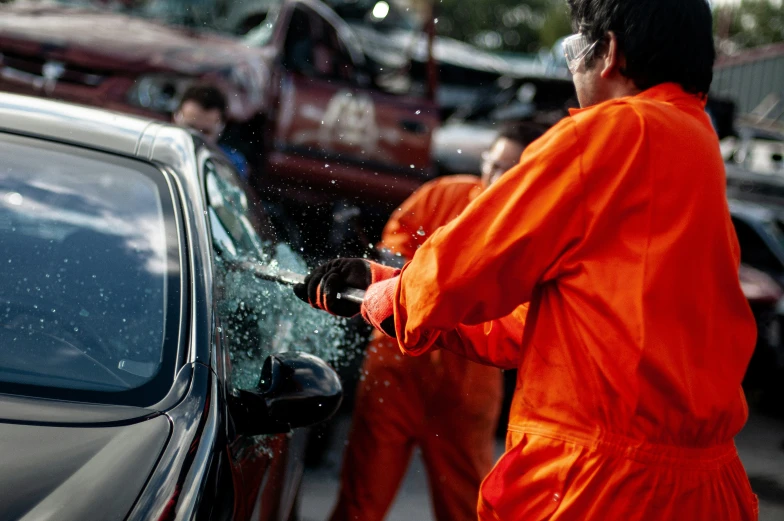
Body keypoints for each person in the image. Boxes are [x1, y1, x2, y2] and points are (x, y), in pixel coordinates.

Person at [295, 0, 760, 519]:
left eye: (573, 47)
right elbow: (528, 327)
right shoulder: (694, 142)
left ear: (607, 53)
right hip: (698, 485)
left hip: (599, 483)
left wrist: (382, 295)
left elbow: (458, 275)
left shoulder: (610, 132)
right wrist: (385, 282)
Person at [326, 123, 546, 521]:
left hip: (466, 392)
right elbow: (392, 250)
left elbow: (516, 326)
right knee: (360, 504)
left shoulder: (536, 233)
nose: (496, 178)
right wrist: (406, 279)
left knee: (464, 508)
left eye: (509, 170)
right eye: (492, 165)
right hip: (396, 373)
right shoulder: (443, 195)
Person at [173, 83, 249, 180]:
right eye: (190, 128)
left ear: (221, 127)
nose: (196, 137)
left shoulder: (231, 164)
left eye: (205, 132)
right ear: (175, 117)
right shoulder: (157, 149)